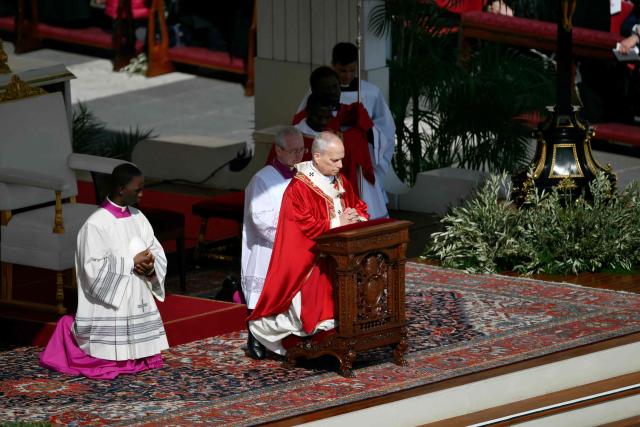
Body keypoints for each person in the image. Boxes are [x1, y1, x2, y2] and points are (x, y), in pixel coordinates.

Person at [40, 163, 169, 379]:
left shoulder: (139, 217)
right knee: (104, 354)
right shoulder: (96, 225)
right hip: (110, 303)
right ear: (121, 189)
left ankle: (138, 353)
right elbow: (92, 269)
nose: (142, 194)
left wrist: (149, 265)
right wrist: (130, 262)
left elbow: (155, 249)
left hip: (136, 291)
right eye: (137, 190)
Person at [247, 132, 369, 356]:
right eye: (335, 160)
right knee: (305, 315)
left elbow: (358, 205)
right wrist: (336, 222)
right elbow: (302, 227)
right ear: (317, 156)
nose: (340, 165)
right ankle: (261, 330)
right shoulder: (299, 188)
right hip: (312, 261)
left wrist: (355, 215)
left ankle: (333, 341)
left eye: (342, 159)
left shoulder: (340, 180)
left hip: (339, 257)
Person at [295, 66, 391, 219]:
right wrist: (350, 138)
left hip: (356, 180)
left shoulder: (347, 111)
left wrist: (363, 121)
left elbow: (374, 135)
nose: (333, 91)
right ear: (314, 90)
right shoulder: (306, 121)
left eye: (335, 86)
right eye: (326, 88)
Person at [242, 126, 305, 359]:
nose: (299, 156)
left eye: (302, 149)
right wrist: (292, 230)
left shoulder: (304, 175)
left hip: (297, 247)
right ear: (278, 150)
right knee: (264, 295)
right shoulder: (263, 179)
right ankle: (256, 336)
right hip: (269, 248)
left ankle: (287, 338)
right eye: (293, 151)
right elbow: (259, 218)